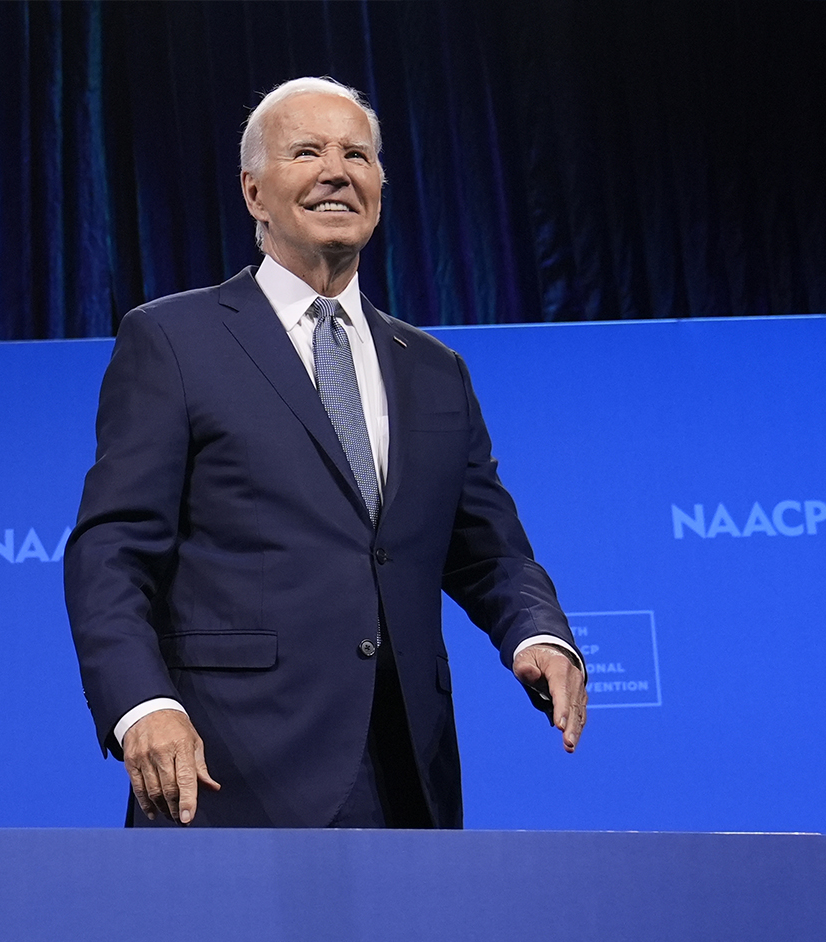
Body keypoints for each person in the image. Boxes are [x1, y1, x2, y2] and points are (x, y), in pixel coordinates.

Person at [63, 76, 585, 828]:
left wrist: (537, 632)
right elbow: (112, 549)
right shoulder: (174, 341)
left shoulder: (434, 368)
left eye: (357, 155)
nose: (336, 171)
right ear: (253, 193)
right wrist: (143, 704)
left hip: (408, 776)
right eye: (306, 152)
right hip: (228, 771)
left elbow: (491, 552)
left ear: (378, 186)